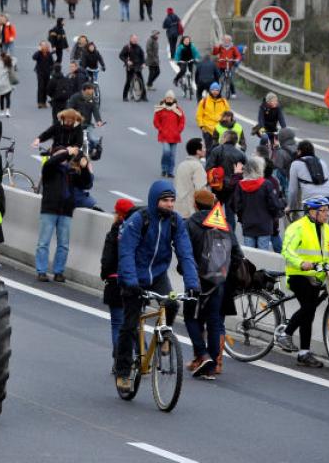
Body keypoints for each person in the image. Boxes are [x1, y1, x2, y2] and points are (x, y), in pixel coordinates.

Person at [114, 182, 201, 390]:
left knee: (171, 303)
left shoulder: (175, 222)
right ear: (155, 201)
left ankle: (164, 336)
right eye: (165, 201)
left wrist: (192, 283)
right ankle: (123, 372)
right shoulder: (139, 220)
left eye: (172, 201)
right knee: (128, 325)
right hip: (134, 276)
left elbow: (185, 253)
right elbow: (126, 252)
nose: (170, 205)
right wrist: (131, 281)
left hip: (158, 276)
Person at [276, 196, 329, 367]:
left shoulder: (326, 229)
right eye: (323, 211)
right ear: (312, 212)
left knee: (309, 313)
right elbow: (286, 250)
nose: (327, 214)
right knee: (309, 306)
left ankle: (304, 353)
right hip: (298, 274)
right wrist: (301, 263)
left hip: (318, 276)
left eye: (328, 210)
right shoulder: (297, 227)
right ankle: (285, 333)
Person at [183, 188, 244, 379]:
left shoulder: (190, 224)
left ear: (195, 204)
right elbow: (236, 253)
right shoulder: (223, 224)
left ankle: (202, 355)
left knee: (191, 317)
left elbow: (184, 251)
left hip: (196, 279)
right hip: (218, 280)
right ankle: (213, 366)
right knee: (214, 320)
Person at [35, 146, 92, 283]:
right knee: (43, 242)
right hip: (49, 209)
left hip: (66, 210)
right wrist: (67, 152)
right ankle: (41, 271)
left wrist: (84, 168)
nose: (64, 157)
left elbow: (87, 184)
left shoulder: (70, 171)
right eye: (60, 154)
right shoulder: (49, 169)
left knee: (64, 244)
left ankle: (58, 271)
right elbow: (51, 162)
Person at [101, 197, 138, 358]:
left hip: (115, 282)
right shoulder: (138, 232)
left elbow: (107, 259)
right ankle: (141, 358)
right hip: (134, 282)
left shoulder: (114, 232)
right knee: (133, 324)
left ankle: (119, 360)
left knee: (117, 324)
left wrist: (105, 274)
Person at [236, 156, 285, 251]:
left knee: (250, 255)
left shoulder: (240, 185)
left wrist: (242, 219)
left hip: (248, 224)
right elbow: (273, 205)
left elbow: (237, 206)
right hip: (264, 225)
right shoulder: (266, 184)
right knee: (262, 255)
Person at [286, 140, 329, 213]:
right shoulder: (322, 162)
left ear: (299, 151)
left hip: (311, 198)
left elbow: (293, 190)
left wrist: (290, 207)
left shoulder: (295, 164)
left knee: (309, 223)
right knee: (323, 220)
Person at [153, 91, 185, 178]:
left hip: (175, 136)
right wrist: (161, 129)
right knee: (166, 151)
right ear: (165, 98)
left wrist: (178, 130)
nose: (169, 99)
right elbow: (156, 121)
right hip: (164, 136)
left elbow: (182, 122)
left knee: (172, 155)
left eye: (171, 98)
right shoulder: (160, 109)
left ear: (174, 99)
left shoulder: (178, 110)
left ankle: (170, 171)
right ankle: (164, 169)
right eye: (167, 98)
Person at [174, 138, 208, 216]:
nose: (205, 150)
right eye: (203, 147)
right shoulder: (197, 166)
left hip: (177, 206)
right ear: (198, 151)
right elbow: (200, 189)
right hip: (190, 209)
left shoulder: (181, 165)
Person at [196, 83, 230, 152]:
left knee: (219, 150)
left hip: (220, 129)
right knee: (209, 150)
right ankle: (209, 162)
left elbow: (228, 115)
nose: (215, 92)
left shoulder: (224, 102)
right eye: (213, 90)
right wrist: (202, 126)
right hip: (207, 129)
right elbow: (199, 115)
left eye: (217, 90)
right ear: (210, 91)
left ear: (219, 91)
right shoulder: (204, 101)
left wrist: (227, 126)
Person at [119, 35, 145, 102]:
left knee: (141, 81)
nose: (135, 40)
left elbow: (142, 56)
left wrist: (143, 63)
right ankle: (125, 96)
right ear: (130, 39)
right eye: (133, 39)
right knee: (128, 81)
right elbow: (121, 55)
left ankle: (143, 96)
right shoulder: (127, 47)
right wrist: (127, 61)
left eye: (136, 39)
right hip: (130, 66)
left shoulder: (139, 47)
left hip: (138, 66)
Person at [32, 42, 55, 110]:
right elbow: (34, 57)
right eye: (43, 46)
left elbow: (52, 63)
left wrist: (52, 70)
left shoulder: (49, 54)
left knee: (46, 87)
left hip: (47, 73)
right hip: (40, 73)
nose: (45, 48)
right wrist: (39, 51)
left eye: (46, 46)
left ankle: (44, 102)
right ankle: (40, 102)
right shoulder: (38, 53)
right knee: (41, 87)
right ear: (41, 47)